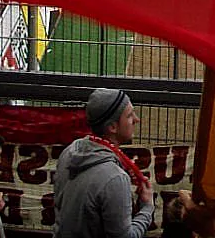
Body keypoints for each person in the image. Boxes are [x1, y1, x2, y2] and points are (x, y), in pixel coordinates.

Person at [53, 89, 154, 238]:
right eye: (129, 115)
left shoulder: (70, 151)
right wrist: (147, 208)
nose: (136, 119)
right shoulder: (115, 178)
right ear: (112, 127)